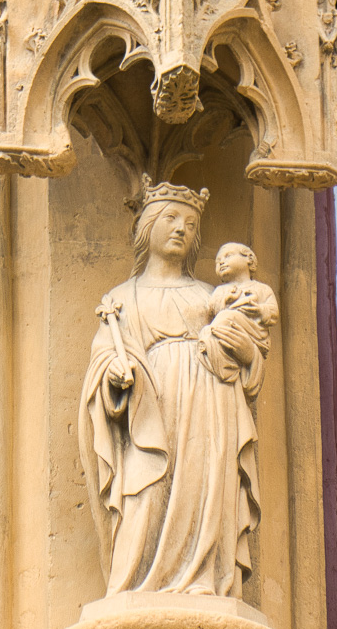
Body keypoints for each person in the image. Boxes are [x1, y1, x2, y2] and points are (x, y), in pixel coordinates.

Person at [78, 178, 264, 597]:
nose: (182, 229)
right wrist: (113, 378)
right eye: (171, 219)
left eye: (191, 224)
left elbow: (249, 353)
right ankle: (136, 586)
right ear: (147, 227)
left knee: (206, 493)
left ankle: (204, 580)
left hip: (211, 405)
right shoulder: (123, 298)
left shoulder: (210, 296)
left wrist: (247, 354)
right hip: (150, 408)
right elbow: (104, 358)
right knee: (146, 494)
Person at [198, 242, 279, 386]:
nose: (221, 262)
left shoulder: (262, 289)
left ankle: (212, 348)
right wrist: (226, 300)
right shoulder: (220, 291)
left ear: (249, 259)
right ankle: (221, 361)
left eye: (227, 256)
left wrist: (260, 310)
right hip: (227, 327)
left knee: (221, 321)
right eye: (217, 261)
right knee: (218, 323)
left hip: (253, 332)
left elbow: (273, 312)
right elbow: (212, 310)